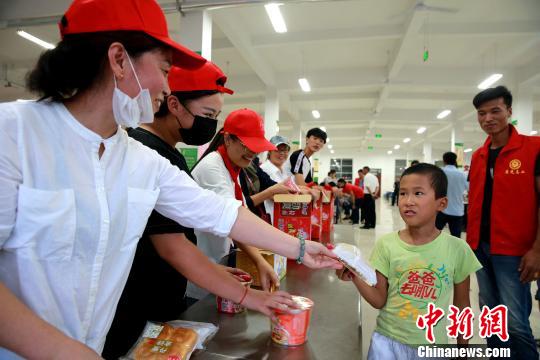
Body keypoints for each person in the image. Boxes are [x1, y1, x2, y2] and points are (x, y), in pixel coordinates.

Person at [0, 0, 341, 358]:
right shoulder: (14, 134)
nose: (166, 87)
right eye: (164, 70)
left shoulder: (140, 161)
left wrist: (302, 249)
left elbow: (219, 212)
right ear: (118, 60)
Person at [102, 62, 241, 358]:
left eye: (216, 117)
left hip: (159, 295)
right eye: (207, 115)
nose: (211, 125)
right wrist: (246, 295)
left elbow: (207, 215)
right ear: (174, 104)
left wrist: (212, 270)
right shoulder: (147, 151)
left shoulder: (166, 152)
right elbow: (170, 246)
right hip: (139, 301)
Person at [337, 163, 481, 359]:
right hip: (386, 344)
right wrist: (354, 274)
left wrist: (462, 351)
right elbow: (379, 300)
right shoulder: (386, 245)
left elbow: (462, 306)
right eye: (403, 193)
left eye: (418, 193)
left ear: (442, 203)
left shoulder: (457, 249)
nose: (408, 201)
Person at [187, 109, 296, 301]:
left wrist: (259, 260)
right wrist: (297, 248)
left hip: (217, 261)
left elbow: (240, 216)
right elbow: (234, 221)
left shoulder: (233, 168)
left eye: (256, 147)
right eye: (247, 146)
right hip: (199, 267)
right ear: (228, 139)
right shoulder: (212, 168)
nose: (252, 153)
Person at [467, 85, 540, 358]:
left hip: (515, 252)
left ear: (509, 111)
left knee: (516, 322)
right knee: (490, 316)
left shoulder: (534, 148)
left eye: (495, 111)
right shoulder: (478, 156)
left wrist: (537, 249)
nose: (488, 118)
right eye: (481, 113)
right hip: (480, 248)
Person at [435, 152, 468, 238]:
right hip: (457, 211)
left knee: (433, 235)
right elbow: (470, 189)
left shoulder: (439, 173)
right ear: (455, 160)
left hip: (441, 209)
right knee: (456, 238)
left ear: (444, 161)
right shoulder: (462, 175)